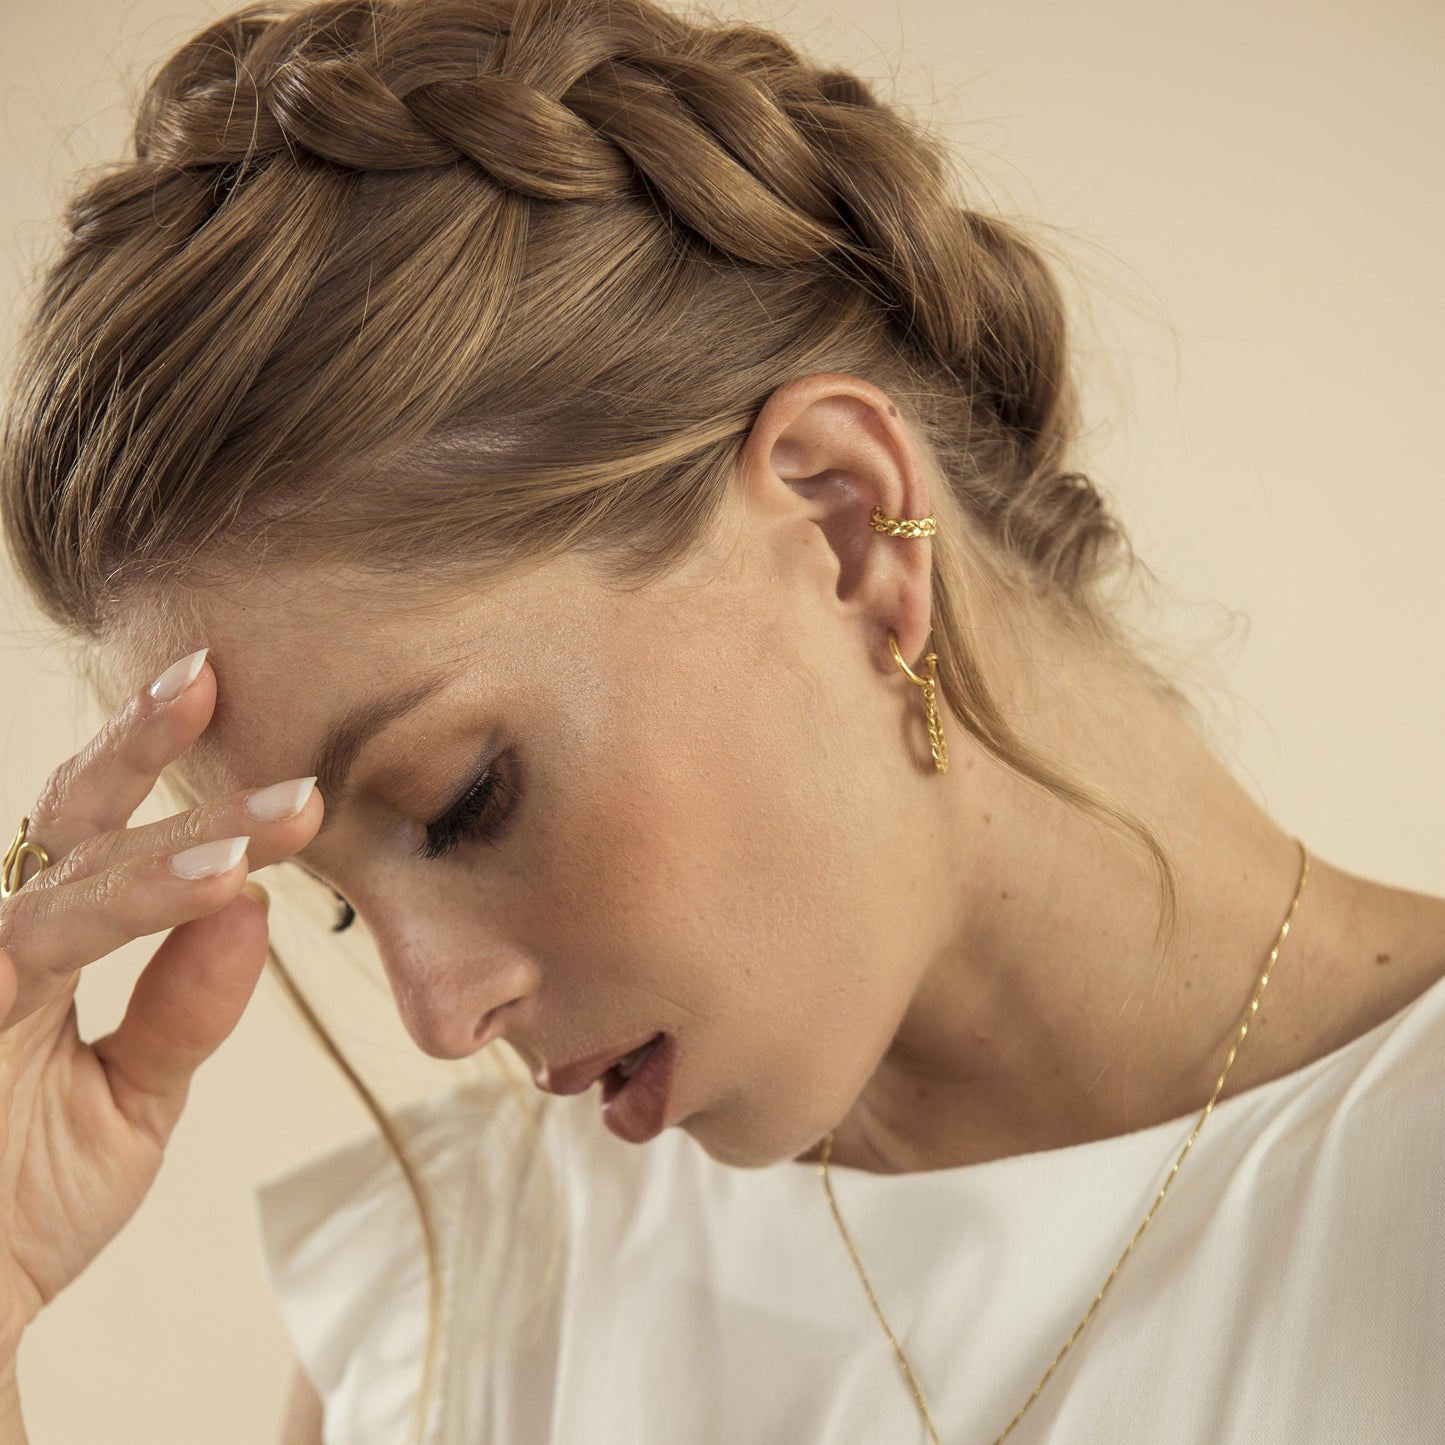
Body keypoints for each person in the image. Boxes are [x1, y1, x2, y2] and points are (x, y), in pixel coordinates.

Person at [0, 0, 1442, 1441]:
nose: (439, 1018)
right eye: (334, 907)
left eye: (461, 801)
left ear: (841, 526)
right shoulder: (448, 1315)